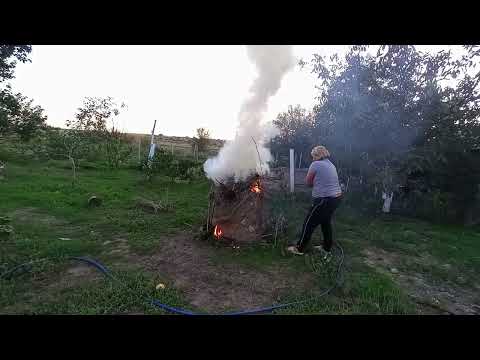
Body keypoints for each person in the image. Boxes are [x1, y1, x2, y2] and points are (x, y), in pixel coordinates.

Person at [287, 145, 342, 259]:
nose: (312, 158)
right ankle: (326, 248)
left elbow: (308, 182)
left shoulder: (315, 164)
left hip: (324, 200)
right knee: (325, 222)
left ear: (317, 155)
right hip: (336, 199)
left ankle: (299, 248)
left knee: (309, 223)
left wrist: (315, 184)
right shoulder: (330, 164)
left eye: (313, 156)